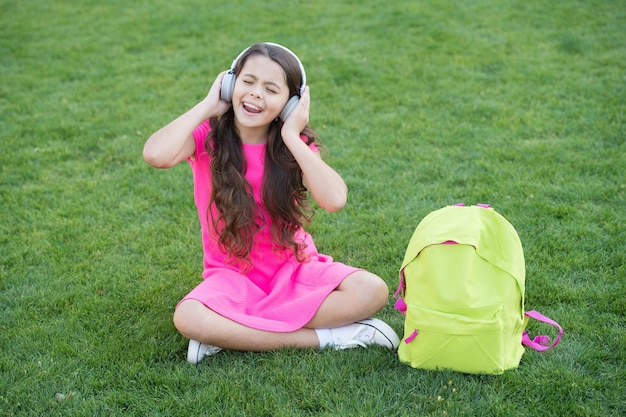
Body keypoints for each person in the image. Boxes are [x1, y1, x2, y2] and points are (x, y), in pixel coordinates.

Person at [143, 42, 399, 364]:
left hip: (294, 269)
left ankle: (235, 331)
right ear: (229, 84)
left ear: (290, 104)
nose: (255, 94)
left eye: (271, 89)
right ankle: (330, 337)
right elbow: (155, 154)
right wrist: (208, 104)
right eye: (247, 81)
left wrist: (292, 136)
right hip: (232, 276)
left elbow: (334, 199)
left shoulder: (293, 145)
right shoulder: (208, 136)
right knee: (188, 318)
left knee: (372, 290)